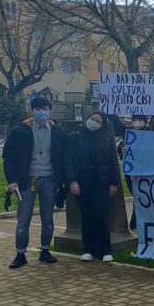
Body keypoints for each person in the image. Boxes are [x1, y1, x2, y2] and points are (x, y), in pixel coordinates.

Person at [3, 97, 66, 269]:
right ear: (32, 111)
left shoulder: (57, 131)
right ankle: (20, 253)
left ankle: (45, 250)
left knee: (47, 219)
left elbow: (65, 154)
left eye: (45, 108)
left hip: (49, 180)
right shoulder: (20, 131)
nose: (41, 112)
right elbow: (8, 157)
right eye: (37, 109)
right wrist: (12, 180)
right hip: (27, 181)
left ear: (50, 111)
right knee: (23, 220)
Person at [65, 111, 121, 262]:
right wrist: (72, 181)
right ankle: (89, 249)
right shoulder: (75, 137)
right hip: (82, 183)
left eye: (98, 121)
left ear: (102, 125)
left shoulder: (108, 140)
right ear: (87, 119)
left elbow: (113, 162)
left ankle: (105, 250)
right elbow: (69, 161)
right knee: (87, 216)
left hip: (101, 183)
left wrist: (114, 182)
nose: (93, 122)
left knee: (101, 216)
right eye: (92, 118)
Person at [117, 115, 148, 230]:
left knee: (143, 196)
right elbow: (115, 122)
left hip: (146, 171)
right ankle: (135, 224)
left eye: (140, 120)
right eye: (135, 119)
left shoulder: (150, 132)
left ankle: (135, 224)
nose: (137, 122)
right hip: (132, 173)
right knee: (137, 195)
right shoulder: (127, 132)